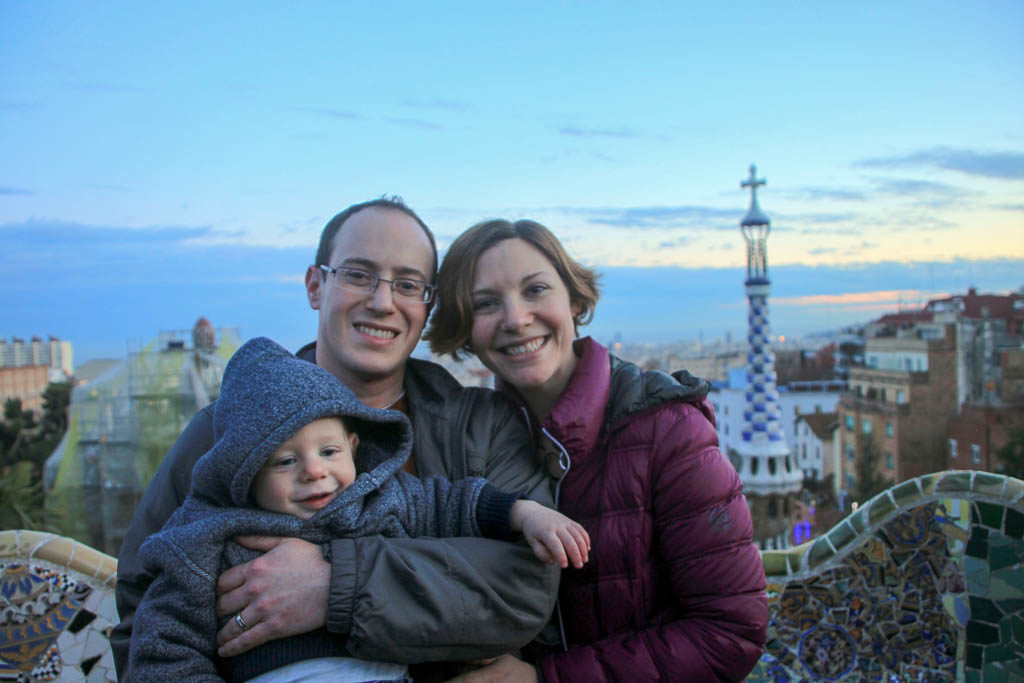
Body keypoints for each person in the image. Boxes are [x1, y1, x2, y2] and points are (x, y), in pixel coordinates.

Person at [114, 199, 561, 679]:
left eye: (408, 285)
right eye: (358, 274)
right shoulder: (226, 431)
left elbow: (525, 586)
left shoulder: (480, 426)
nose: (382, 301)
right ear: (315, 285)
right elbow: (145, 614)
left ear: (426, 306)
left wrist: (335, 586)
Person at [425, 219, 769, 682]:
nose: (515, 318)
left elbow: (729, 634)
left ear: (576, 301)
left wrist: (544, 679)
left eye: (536, 290)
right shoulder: (468, 440)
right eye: (486, 303)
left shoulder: (669, 431)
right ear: (465, 330)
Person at [128, 337, 587, 682]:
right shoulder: (208, 537)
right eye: (285, 461)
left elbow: (455, 502)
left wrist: (525, 513)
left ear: (352, 446)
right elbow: (164, 645)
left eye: (328, 452)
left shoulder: (377, 498)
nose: (314, 472)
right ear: (244, 474)